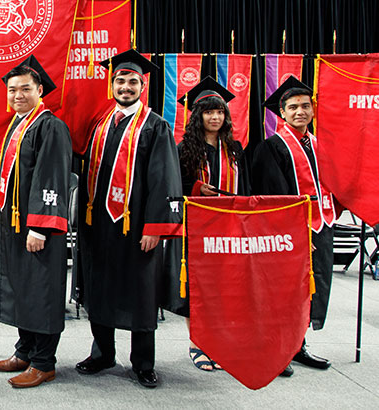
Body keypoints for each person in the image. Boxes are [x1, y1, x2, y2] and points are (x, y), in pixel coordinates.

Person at [75, 49, 182, 389]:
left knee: (141, 293)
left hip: (135, 228)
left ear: (143, 85)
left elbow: (165, 180)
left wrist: (155, 227)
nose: (125, 86)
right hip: (99, 226)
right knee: (100, 288)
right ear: (112, 84)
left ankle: (143, 363)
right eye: (120, 80)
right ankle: (103, 353)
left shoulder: (155, 126)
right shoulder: (101, 125)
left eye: (132, 81)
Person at [0, 56, 72, 389]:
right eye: (12, 89)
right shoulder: (19, 124)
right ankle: (24, 351)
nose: (17, 94)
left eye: (25, 89)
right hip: (14, 225)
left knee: (42, 292)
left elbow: (51, 179)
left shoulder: (50, 125)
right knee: (24, 290)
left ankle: (43, 362)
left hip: (38, 229)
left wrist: (39, 227)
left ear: (40, 90)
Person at [162, 77, 251, 371]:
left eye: (220, 112)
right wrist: (197, 189)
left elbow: (247, 190)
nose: (215, 117)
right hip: (197, 229)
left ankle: (219, 342)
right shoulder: (183, 149)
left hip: (229, 228)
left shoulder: (236, 150)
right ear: (197, 116)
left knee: (224, 288)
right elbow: (174, 188)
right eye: (208, 112)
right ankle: (198, 342)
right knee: (198, 288)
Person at [251, 75, 336, 377]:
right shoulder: (272, 147)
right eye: (293, 107)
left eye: (305, 106)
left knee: (312, 287)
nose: (300, 111)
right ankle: (278, 349)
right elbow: (273, 196)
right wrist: (296, 231)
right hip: (290, 233)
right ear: (282, 112)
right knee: (284, 290)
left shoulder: (321, 145)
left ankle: (298, 345)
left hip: (322, 226)